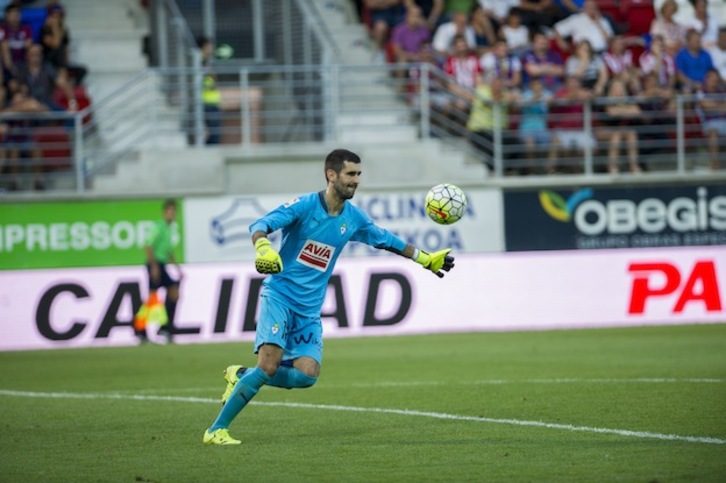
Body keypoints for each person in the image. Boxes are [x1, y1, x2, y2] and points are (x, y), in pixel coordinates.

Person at [202, 149, 456, 445]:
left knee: (307, 375)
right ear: (331, 175)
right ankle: (216, 430)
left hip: (309, 309)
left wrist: (425, 259)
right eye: (350, 174)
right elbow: (260, 225)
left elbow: (387, 239)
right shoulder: (304, 206)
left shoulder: (354, 218)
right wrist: (262, 247)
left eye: (359, 174)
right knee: (269, 365)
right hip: (280, 297)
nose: (356, 180)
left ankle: (242, 374)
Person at [138, 198, 183, 344]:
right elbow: (148, 245)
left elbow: (168, 251)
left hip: (162, 265)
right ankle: (140, 331)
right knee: (151, 299)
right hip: (155, 265)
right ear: (164, 212)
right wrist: (154, 267)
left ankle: (165, 327)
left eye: (174, 211)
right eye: (169, 211)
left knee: (174, 293)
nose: (172, 214)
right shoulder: (158, 227)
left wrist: (177, 268)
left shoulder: (169, 228)